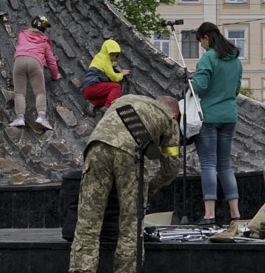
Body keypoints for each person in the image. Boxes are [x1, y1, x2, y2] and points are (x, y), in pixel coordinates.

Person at [68, 94, 181, 273]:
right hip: (131, 156)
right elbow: (172, 165)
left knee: (87, 223)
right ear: (174, 113)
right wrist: (153, 184)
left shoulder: (125, 100)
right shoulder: (169, 119)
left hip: (97, 147)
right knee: (131, 226)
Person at [190, 22, 243, 223]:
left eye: (200, 42)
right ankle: (235, 214)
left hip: (209, 118)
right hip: (229, 116)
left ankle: (209, 214)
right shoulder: (236, 61)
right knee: (225, 166)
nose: (201, 46)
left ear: (206, 37)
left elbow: (200, 87)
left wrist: (190, 83)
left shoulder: (208, 57)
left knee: (209, 165)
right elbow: (236, 89)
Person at [10, 16, 61, 130]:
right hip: (35, 62)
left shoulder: (22, 34)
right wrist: (55, 75)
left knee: (19, 92)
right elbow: (51, 60)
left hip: (19, 60)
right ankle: (41, 116)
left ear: (30, 25)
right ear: (43, 29)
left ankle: (19, 118)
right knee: (39, 93)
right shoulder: (44, 41)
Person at [82, 40, 130, 111]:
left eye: (115, 56)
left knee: (112, 96)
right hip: (92, 87)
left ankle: (92, 103)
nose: (114, 58)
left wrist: (111, 65)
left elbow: (103, 66)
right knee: (116, 87)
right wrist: (122, 73)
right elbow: (114, 78)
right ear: (107, 52)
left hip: (88, 90)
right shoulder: (105, 60)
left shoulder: (99, 57)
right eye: (112, 55)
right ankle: (108, 108)